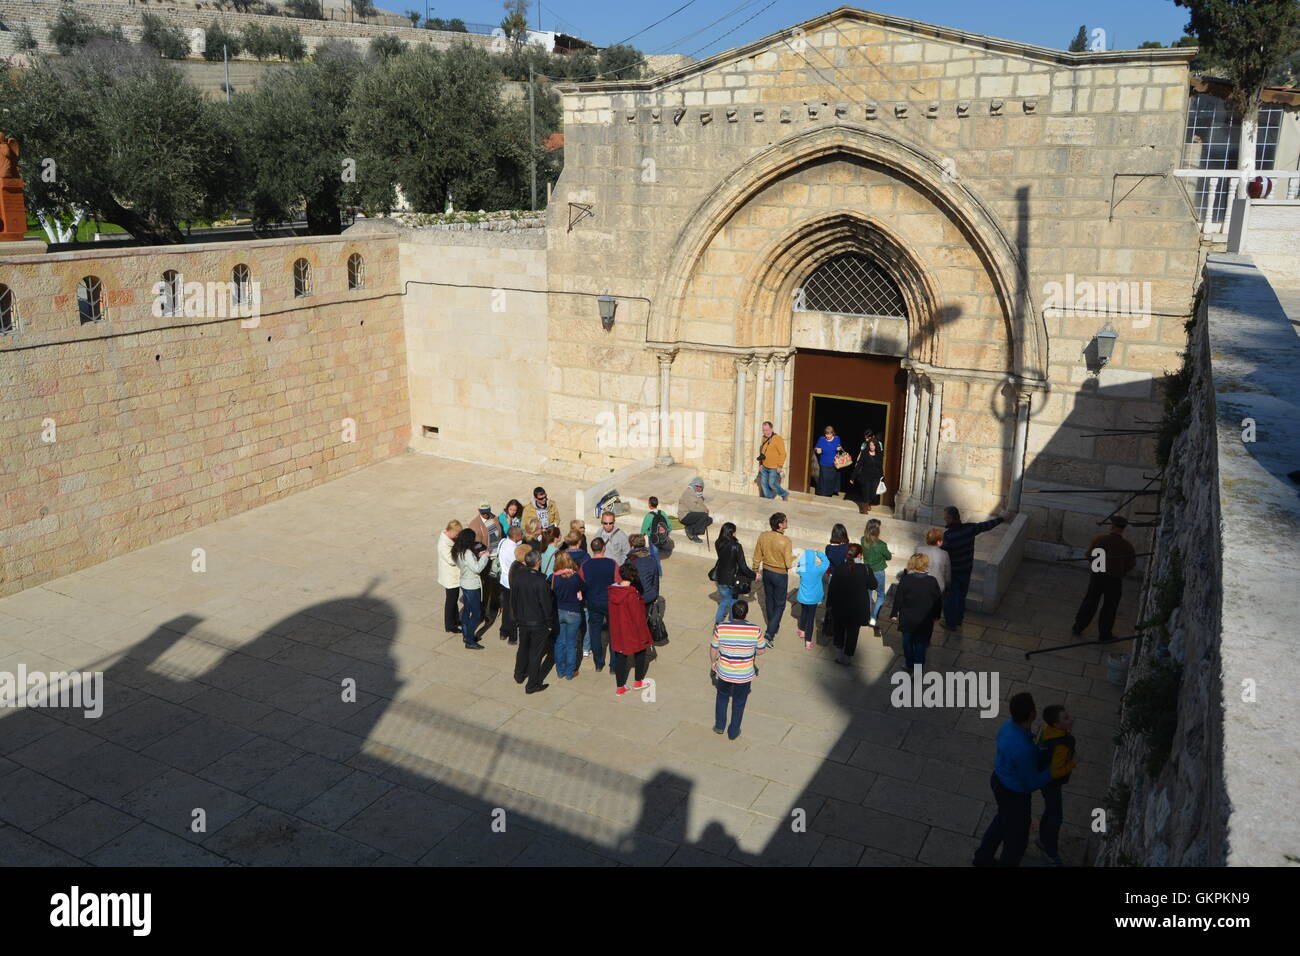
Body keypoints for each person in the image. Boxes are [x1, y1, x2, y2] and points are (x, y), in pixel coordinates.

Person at [973, 693, 1055, 867]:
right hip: (1014, 794)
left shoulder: (1007, 726)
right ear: (1032, 714)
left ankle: (982, 859)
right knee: (1016, 841)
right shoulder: (1025, 749)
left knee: (1002, 821)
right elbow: (1030, 783)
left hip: (998, 780)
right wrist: (1052, 772)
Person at [940, 506, 1007, 631]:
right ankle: (959, 620)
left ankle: (951, 623)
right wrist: (1001, 519)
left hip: (954, 572)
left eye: (945, 517)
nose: (944, 519)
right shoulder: (969, 528)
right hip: (966, 569)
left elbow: (943, 554)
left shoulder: (949, 536)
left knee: (951, 598)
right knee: (961, 596)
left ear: (950, 518)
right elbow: (987, 525)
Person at [1072, 515, 1137, 641]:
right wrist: (1119, 571)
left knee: (1090, 602)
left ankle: (1078, 627)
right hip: (1114, 579)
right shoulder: (1127, 546)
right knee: (1110, 607)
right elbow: (1130, 565)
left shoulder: (1100, 539)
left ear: (1112, 526)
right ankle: (1104, 634)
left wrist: (1098, 565)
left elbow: (1089, 555)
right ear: (1122, 529)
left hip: (1098, 576)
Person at [710, 600, 766, 740]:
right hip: (744, 674)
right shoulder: (755, 629)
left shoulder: (721, 627)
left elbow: (713, 648)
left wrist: (713, 662)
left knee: (722, 697)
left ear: (732, 613)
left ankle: (719, 725)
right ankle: (733, 731)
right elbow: (761, 651)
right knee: (739, 702)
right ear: (746, 613)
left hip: (724, 671)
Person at [1036, 704, 1079, 867]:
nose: (1071, 718)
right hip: (1052, 783)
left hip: (1044, 780)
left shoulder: (1048, 732)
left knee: (1050, 810)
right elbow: (1056, 771)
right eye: (1066, 718)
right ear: (1056, 724)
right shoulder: (1062, 744)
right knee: (1056, 817)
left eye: (1068, 715)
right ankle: (1050, 851)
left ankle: (1042, 839)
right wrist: (1073, 763)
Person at [511, 549, 556, 695]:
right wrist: (550, 624)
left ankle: (519, 675)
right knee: (535, 654)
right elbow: (546, 606)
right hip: (538, 623)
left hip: (523, 621)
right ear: (538, 562)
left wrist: (517, 617)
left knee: (523, 648)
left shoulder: (519, 578)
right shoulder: (541, 582)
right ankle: (532, 685)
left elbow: (514, 600)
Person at [890, 553, 943, 671]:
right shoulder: (932, 581)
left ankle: (909, 664)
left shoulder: (906, 580)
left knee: (907, 643)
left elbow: (898, 599)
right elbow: (938, 600)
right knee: (921, 645)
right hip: (925, 620)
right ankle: (918, 670)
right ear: (925, 565)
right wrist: (937, 615)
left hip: (907, 619)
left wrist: (894, 613)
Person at [608, 562, 653, 696]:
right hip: (632, 631)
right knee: (640, 653)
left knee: (620, 657)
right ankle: (638, 681)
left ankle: (620, 686)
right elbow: (638, 618)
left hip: (617, 630)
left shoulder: (612, 592)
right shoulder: (632, 595)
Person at [752, 512, 794, 647]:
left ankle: (773, 625)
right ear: (780, 525)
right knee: (780, 604)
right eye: (786, 521)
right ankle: (769, 633)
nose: (787, 523)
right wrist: (794, 558)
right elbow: (788, 564)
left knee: (769, 599)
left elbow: (757, 555)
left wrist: (755, 569)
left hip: (767, 572)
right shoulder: (786, 541)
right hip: (780, 574)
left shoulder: (763, 536)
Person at [828, 543, 873, 665]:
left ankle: (839, 654)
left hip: (840, 606)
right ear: (860, 555)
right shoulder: (866, 569)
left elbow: (832, 588)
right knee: (853, 632)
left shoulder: (840, 568)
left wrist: (829, 604)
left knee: (839, 630)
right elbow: (873, 585)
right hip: (857, 609)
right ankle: (847, 656)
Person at [579, 536, 620, 670]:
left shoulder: (585, 565)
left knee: (595, 631)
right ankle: (614, 665)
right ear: (604, 548)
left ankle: (598, 663)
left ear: (592, 549)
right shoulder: (612, 563)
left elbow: (581, 584)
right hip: (609, 601)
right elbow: (618, 582)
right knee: (613, 632)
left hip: (593, 602)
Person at [450, 528, 489, 650]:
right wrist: (485, 557)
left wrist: (477, 555)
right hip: (472, 585)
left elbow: (466, 564)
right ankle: (470, 640)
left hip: (465, 583)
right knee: (476, 614)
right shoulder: (467, 553)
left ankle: (466, 635)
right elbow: (477, 568)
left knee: (467, 611)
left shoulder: (457, 550)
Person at [549, 552, 584, 681]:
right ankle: (570, 672)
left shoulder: (553, 577)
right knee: (571, 644)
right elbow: (584, 587)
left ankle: (560, 670)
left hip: (558, 611)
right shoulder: (575, 578)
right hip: (573, 613)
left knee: (559, 642)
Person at [712, 522, 754, 625]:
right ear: (732, 533)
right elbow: (743, 566)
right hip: (733, 579)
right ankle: (732, 622)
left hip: (721, 577)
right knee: (732, 601)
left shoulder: (718, 543)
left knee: (725, 601)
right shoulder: (737, 546)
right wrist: (753, 575)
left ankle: (718, 622)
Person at [470, 502, 503, 622]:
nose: (485, 514)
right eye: (483, 512)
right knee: (486, 588)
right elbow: (476, 546)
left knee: (496, 583)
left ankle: (494, 606)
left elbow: (499, 533)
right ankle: (482, 613)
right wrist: (485, 555)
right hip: (486, 560)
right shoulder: (474, 525)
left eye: (487, 511)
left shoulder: (493, 518)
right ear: (478, 511)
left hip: (495, 557)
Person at [794, 546, 828, 648]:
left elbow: (799, 563)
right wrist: (819, 553)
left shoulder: (801, 569)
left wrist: (804, 556)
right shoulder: (818, 570)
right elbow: (827, 563)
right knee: (810, 618)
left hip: (803, 597)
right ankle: (808, 641)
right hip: (813, 599)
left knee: (804, 613)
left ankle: (802, 630)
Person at [860, 518, 891, 628]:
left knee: (868, 594)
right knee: (881, 595)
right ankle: (873, 618)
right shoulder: (881, 544)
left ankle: (867, 616)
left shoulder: (863, 540)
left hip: (867, 571)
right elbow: (889, 556)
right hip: (878, 572)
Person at [820, 523, 851, 636]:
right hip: (844, 577)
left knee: (831, 599)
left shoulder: (829, 548)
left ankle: (829, 618)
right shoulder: (848, 547)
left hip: (832, 577)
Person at [495, 526, 523, 643]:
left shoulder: (502, 542)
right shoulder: (515, 550)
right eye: (520, 534)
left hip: (503, 580)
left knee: (506, 606)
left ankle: (503, 631)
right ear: (516, 537)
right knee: (513, 609)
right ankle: (512, 636)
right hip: (512, 582)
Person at [437, 519, 463, 634]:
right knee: (451, 601)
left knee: (454, 599)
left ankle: (456, 619)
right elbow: (451, 560)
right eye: (456, 534)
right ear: (450, 531)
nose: (457, 537)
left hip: (453, 575)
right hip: (450, 576)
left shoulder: (450, 540)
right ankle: (449, 625)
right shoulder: (443, 544)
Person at [851, 433, 885, 514]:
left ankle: (868, 503)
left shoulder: (879, 455)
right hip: (865, 476)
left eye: (873, 445)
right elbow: (859, 465)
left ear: (876, 446)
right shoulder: (864, 454)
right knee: (866, 493)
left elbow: (880, 466)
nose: (872, 447)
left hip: (875, 477)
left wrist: (882, 476)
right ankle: (864, 509)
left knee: (873, 493)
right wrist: (853, 477)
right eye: (870, 445)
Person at [756, 421, 790, 501]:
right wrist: (760, 464)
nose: (765, 432)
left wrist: (780, 465)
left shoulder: (778, 439)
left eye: (767, 430)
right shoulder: (764, 438)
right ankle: (769, 499)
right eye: (763, 430)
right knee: (763, 483)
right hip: (764, 466)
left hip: (774, 467)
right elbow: (762, 452)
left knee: (772, 484)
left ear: (771, 429)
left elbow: (782, 453)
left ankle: (784, 494)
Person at [915, 527, 951, 594]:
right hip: (937, 587)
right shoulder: (945, 554)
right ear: (939, 542)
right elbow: (947, 576)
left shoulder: (919, 550)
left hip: (920, 584)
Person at [677, 477, 713, 542]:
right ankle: (693, 533)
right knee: (704, 516)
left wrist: (705, 508)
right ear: (693, 485)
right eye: (697, 486)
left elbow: (700, 503)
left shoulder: (697, 493)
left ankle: (689, 527)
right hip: (685, 516)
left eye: (700, 487)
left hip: (691, 515)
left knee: (709, 520)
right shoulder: (689, 492)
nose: (698, 488)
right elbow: (692, 508)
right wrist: (703, 510)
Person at [812, 425, 844, 497]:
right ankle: (823, 493)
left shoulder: (836, 438)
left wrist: (839, 448)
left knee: (831, 479)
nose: (828, 435)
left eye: (829, 434)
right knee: (824, 479)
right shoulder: (821, 439)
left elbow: (839, 446)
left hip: (833, 463)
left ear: (833, 433)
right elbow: (816, 448)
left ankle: (829, 493)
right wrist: (817, 450)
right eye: (826, 434)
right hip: (824, 463)